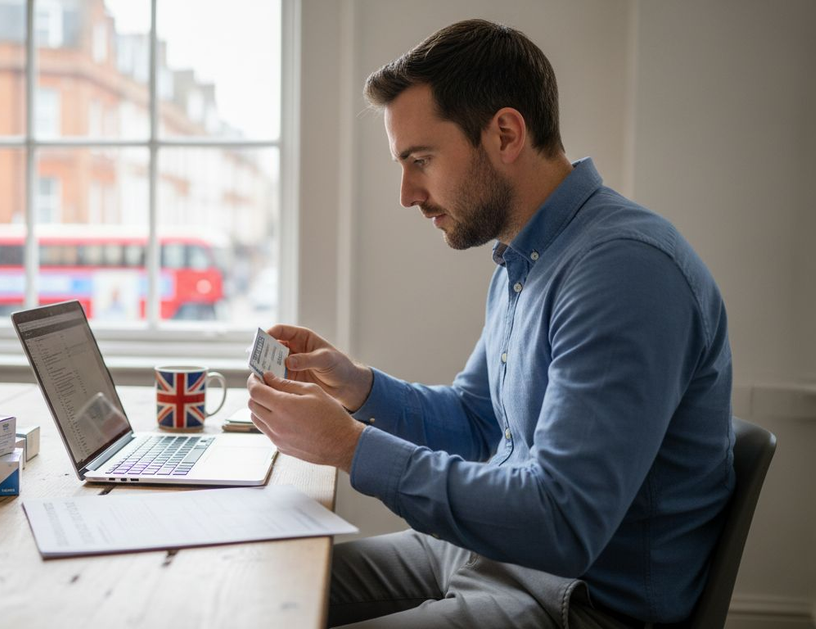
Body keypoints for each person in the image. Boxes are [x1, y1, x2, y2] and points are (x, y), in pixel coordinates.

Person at [246, 19, 733, 629]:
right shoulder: (525, 257)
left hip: (571, 599)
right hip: (491, 556)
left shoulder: (625, 270)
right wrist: (358, 388)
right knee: (255, 591)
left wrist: (348, 446)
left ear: (505, 133)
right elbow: (482, 424)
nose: (406, 193)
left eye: (420, 159)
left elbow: (562, 520)